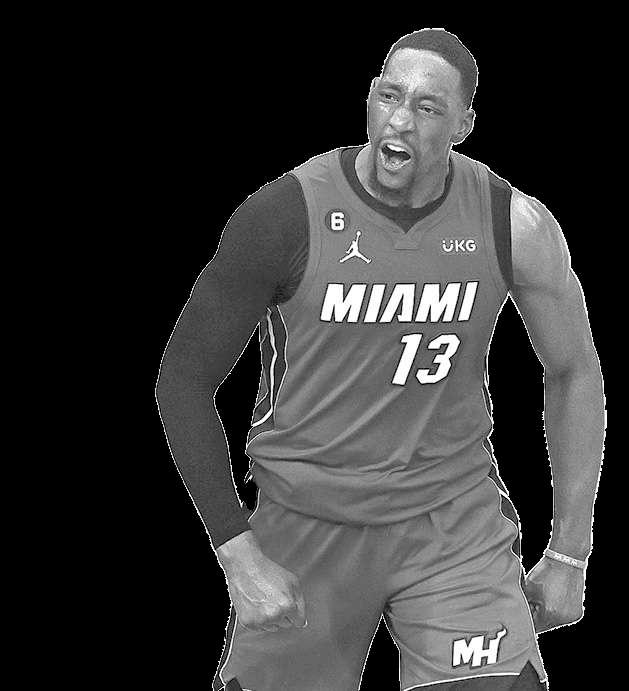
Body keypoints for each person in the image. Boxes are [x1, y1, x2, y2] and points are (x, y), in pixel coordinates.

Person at [155, 28, 605, 691]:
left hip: (450, 523)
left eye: (427, 106)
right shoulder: (285, 215)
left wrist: (569, 551)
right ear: (369, 98)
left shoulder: (512, 223)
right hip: (307, 520)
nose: (399, 120)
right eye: (389, 96)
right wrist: (236, 551)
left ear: (463, 124)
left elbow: (574, 370)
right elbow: (183, 380)